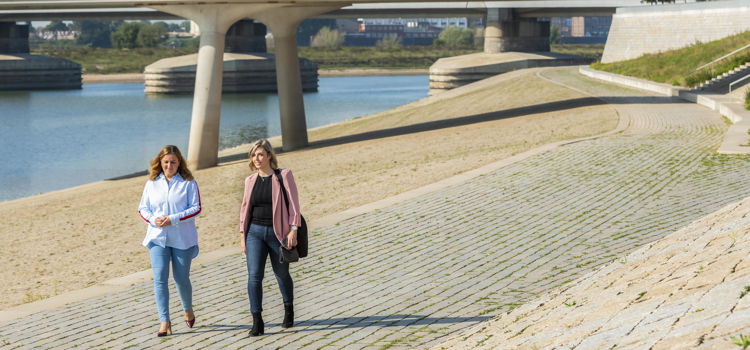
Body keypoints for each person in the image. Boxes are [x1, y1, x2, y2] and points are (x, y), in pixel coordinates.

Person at [238, 139, 302, 336]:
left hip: (279, 234)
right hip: (254, 233)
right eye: (253, 155)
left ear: (268, 156)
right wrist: (243, 234)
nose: (257, 158)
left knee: (281, 274)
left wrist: (293, 230)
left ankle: (288, 309)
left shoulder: (283, 176)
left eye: (260, 155)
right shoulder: (250, 181)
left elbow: (294, 205)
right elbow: (244, 209)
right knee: (254, 276)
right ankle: (257, 320)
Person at [138, 145, 201, 337]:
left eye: (173, 162)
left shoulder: (188, 183)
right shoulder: (151, 183)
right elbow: (143, 208)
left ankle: (187, 309)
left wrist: (173, 218)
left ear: (179, 162)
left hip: (182, 238)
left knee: (181, 279)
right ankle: (164, 321)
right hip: (157, 237)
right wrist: (152, 219)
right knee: (159, 280)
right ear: (160, 163)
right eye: (166, 162)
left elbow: (196, 208)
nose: (169, 165)